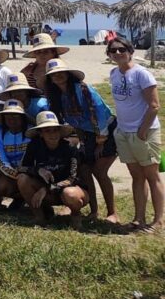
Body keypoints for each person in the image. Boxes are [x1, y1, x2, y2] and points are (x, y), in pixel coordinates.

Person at [42, 58, 117, 222]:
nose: (58, 76)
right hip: (87, 135)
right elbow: (75, 123)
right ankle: (94, 210)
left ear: (68, 74)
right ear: (50, 79)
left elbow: (100, 113)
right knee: (84, 169)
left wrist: (101, 141)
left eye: (61, 73)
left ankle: (112, 212)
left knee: (99, 171)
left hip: (106, 131)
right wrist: (83, 141)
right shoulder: (57, 97)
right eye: (53, 75)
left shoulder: (82, 89)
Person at [106, 36, 163, 233]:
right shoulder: (114, 73)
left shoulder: (141, 74)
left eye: (122, 49)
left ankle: (158, 221)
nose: (118, 53)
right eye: (113, 50)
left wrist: (142, 131)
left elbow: (154, 105)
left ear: (130, 50)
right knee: (136, 176)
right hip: (123, 131)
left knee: (152, 175)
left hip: (143, 132)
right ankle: (139, 218)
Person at [17, 111, 87, 229]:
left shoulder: (70, 147)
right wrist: (38, 170)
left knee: (70, 194)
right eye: (47, 130)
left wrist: (47, 188)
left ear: (60, 131)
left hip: (68, 189)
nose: (52, 134)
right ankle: (40, 217)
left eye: (55, 130)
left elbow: (72, 177)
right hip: (47, 192)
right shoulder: (34, 145)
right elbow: (21, 168)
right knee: (22, 179)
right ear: (40, 133)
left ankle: (75, 214)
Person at [0, 101, 31, 207]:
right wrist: (17, 175)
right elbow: (1, 160)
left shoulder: (31, 133)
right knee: (1, 187)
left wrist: (27, 173)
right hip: (10, 173)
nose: (12, 118)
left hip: (31, 173)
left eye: (16, 115)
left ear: (22, 117)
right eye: (8, 116)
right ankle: (19, 198)